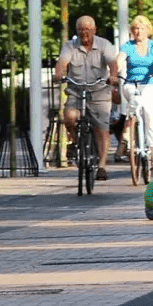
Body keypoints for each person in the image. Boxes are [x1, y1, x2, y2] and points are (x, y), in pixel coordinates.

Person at [56, 15, 121, 181]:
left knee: (102, 128)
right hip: (76, 90)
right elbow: (62, 62)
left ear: (94, 30)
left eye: (87, 29)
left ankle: (102, 166)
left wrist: (113, 76)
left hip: (99, 91)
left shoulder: (104, 45)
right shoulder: (70, 46)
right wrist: (58, 74)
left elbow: (112, 63)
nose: (84, 33)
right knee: (69, 118)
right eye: (80, 30)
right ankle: (76, 143)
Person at [119, 15, 153, 183]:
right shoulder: (127, 46)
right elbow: (120, 59)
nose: (138, 32)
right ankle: (130, 130)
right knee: (133, 99)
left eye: (141, 28)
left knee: (152, 117)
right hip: (132, 83)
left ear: (148, 30)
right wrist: (114, 71)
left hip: (151, 83)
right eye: (135, 29)